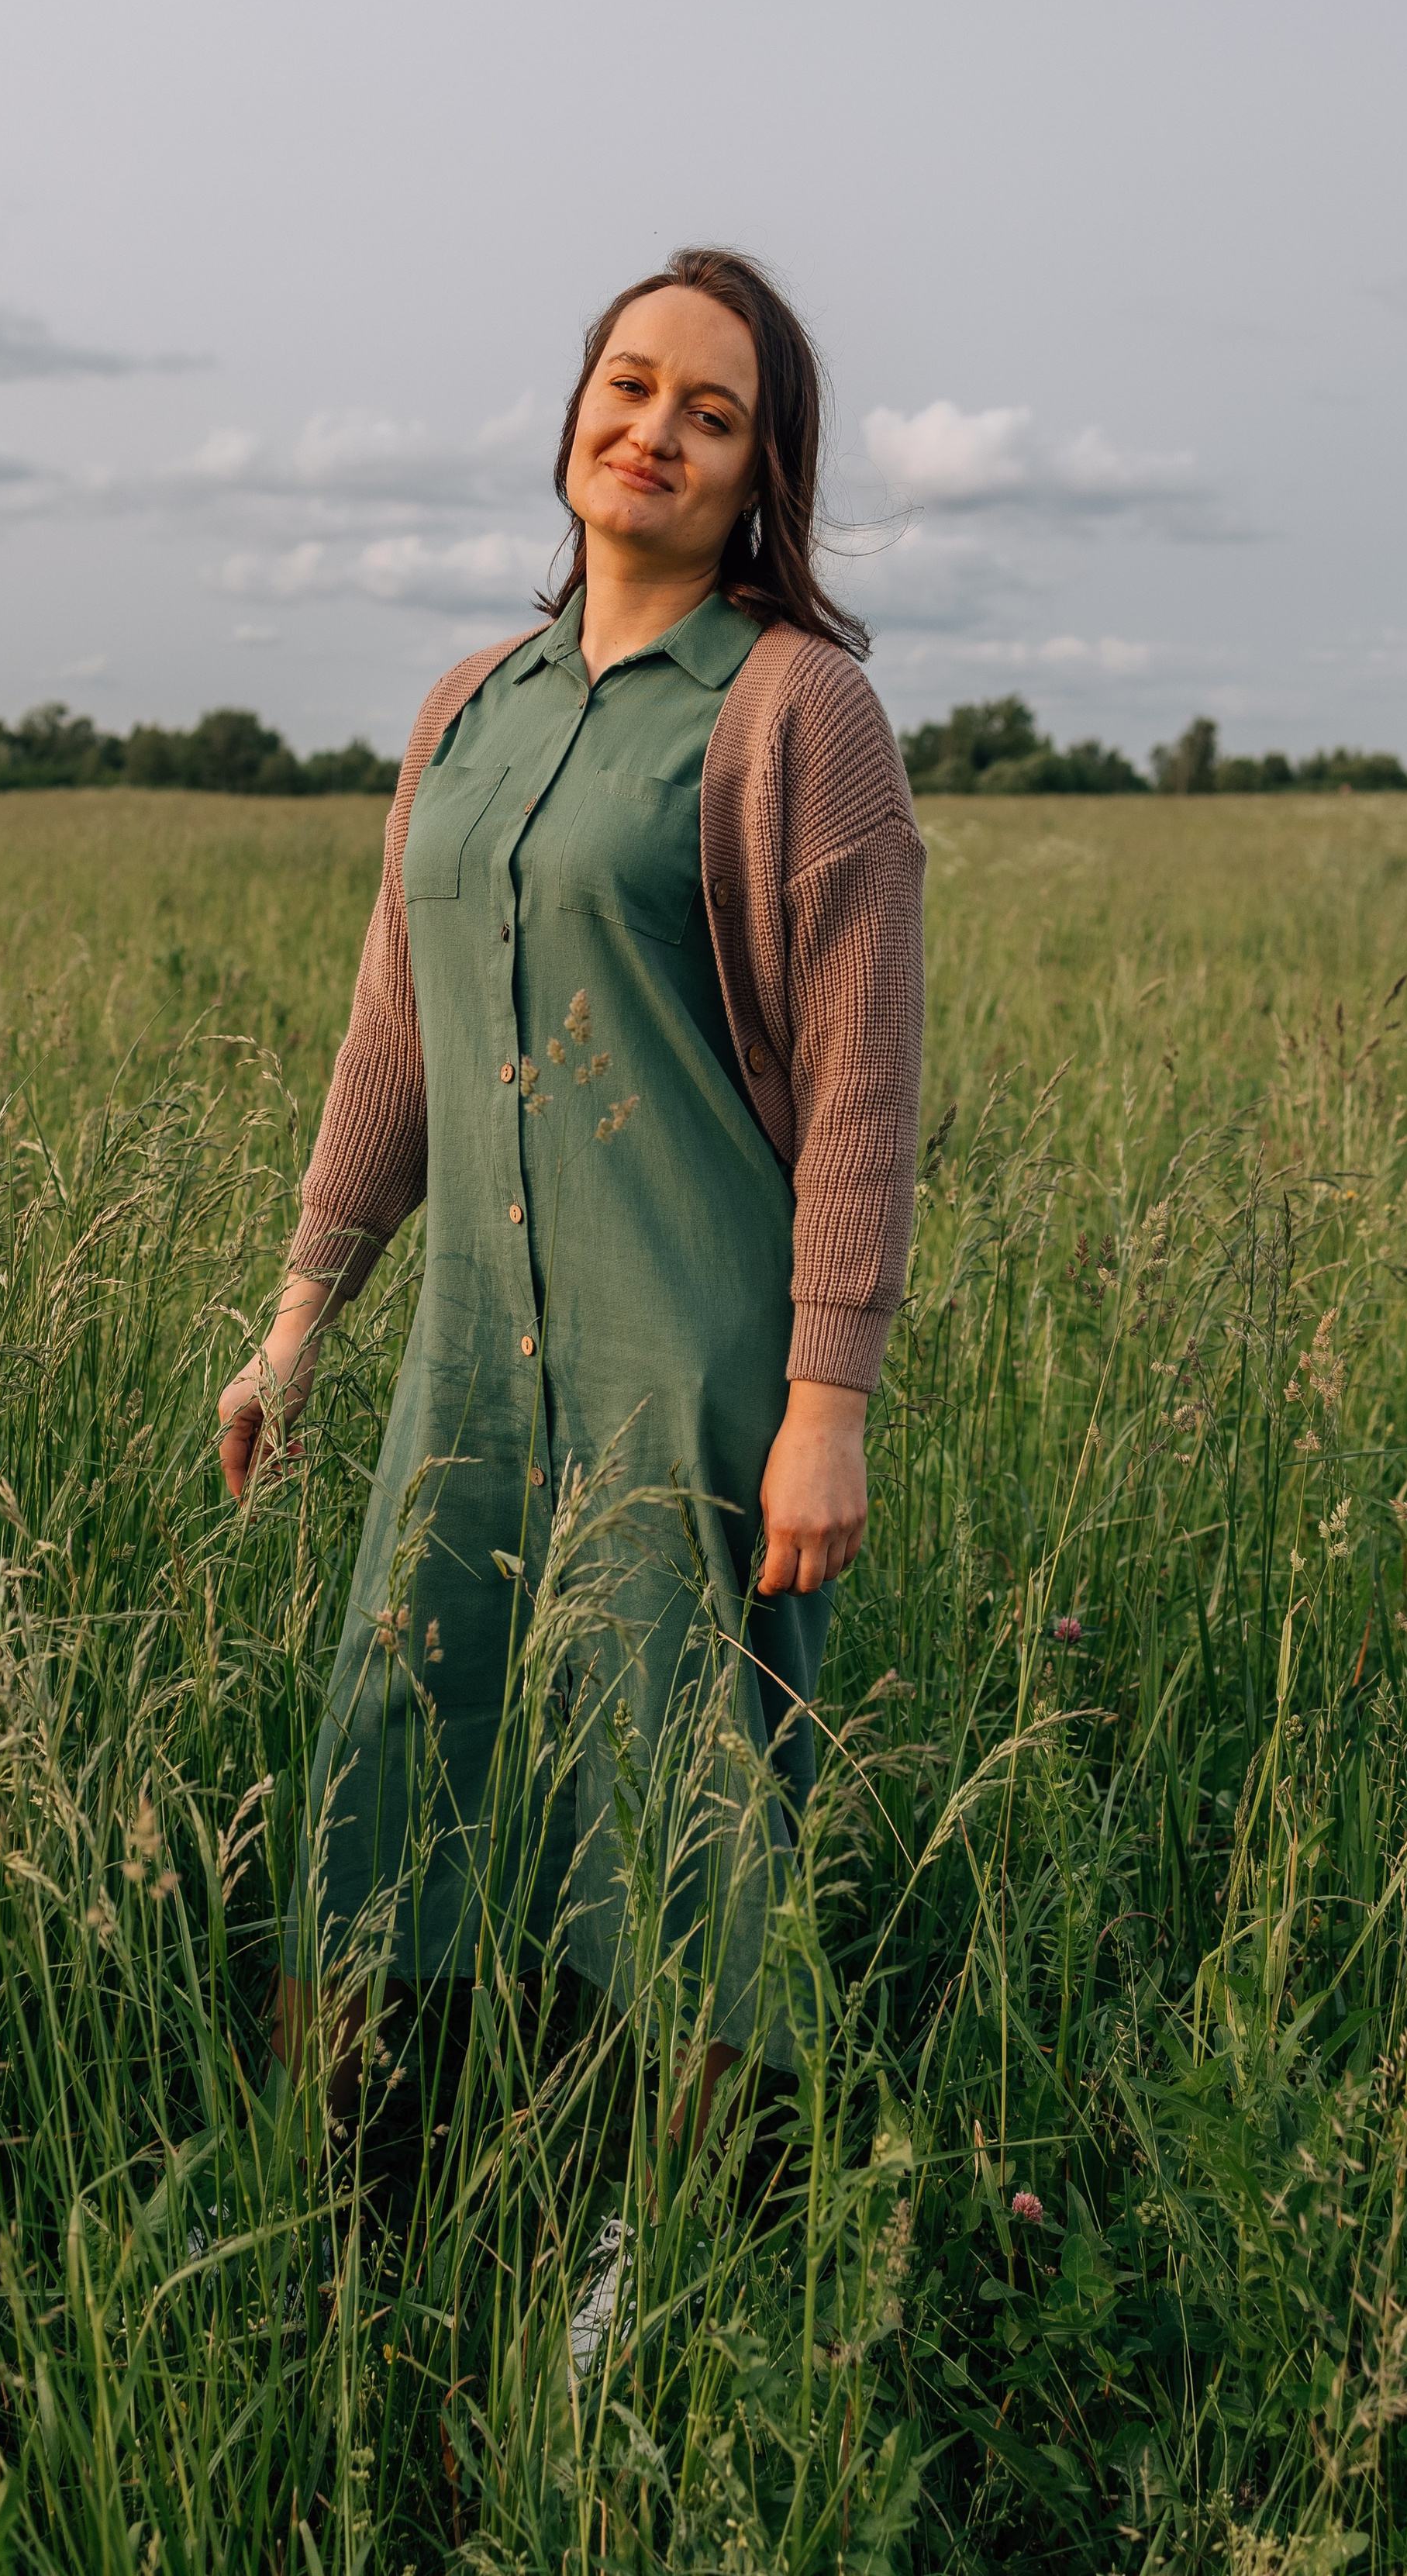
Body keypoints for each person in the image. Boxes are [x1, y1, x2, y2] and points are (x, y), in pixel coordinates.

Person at [218, 246, 925, 2152]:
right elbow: (397, 1037)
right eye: (630, 387)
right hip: (467, 1363)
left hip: (683, 1363)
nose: (655, 434)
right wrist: (298, 1320)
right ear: (571, 418)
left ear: (759, 470)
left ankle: (673, 2239)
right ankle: (331, 2189)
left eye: (712, 414)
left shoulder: (797, 714)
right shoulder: (469, 702)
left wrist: (825, 1408)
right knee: (394, 1741)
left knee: (676, 1788)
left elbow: (864, 1087)